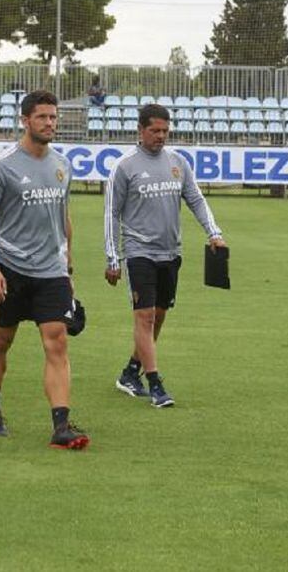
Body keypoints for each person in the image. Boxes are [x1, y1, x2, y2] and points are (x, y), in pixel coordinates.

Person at [0, 89, 89, 450]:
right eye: (42, 117)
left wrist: (68, 269)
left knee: (56, 341)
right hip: (10, 268)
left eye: (53, 117)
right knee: (1, 340)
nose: (50, 123)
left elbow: (63, 217)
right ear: (25, 120)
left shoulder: (62, 165)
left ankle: (61, 424)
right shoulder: (3, 166)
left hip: (51, 271)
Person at [104, 103, 226, 408]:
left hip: (171, 252)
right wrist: (113, 257)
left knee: (158, 317)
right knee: (144, 316)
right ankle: (155, 384)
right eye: (155, 130)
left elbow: (196, 199)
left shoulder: (178, 162)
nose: (161, 136)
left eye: (165, 131)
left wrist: (214, 232)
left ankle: (131, 371)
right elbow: (111, 213)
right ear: (140, 130)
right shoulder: (124, 166)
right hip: (139, 251)